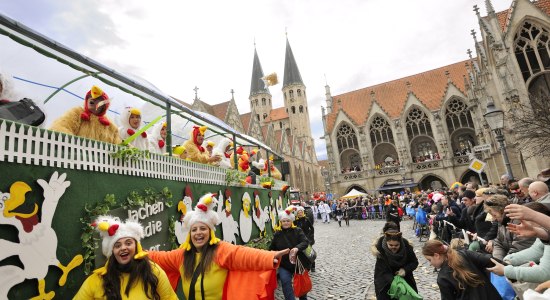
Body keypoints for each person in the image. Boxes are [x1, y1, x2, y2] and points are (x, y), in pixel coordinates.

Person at [148, 193, 289, 299]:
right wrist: (136, 251)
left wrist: (270, 256)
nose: (198, 233)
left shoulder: (220, 250)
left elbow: (243, 254)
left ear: (210, 232)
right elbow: (159, 257)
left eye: (203, 229)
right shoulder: (182, 255)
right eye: (194, 229)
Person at [74, 216, 177, 300]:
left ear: (137, 247)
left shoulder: (153, 271)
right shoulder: (97, 280)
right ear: (112, 252)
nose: (123, 248)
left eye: (128, 243)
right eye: (117, 245)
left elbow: (170, 298)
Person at [422, 239, 502, 299]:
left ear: (436, 255)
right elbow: (488, 260)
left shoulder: (443, 277)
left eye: (429, 260)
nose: (430, 263)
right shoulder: (464, 253)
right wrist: (508, 268)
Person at [50, 85, 121, 144]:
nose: (95, 106)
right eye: (92, 103)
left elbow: (117, 140)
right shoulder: (77, 113)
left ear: (104, 107)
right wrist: (72, 143)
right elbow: (61, 126)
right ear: (87, 101)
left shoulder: (109, 124)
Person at [269, 207, 311, 300]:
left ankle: (303, 298)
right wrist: (272, 257)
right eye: (284, 221)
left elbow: (305, 242)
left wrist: (297, 248)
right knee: (285, 282)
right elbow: (271, 248)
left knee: (301, 284)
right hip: (284, 264)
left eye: (288, 221)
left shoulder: (298, 231)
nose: (286, 223)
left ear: (291, 221)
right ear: (281, 222)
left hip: (299, 263)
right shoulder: (277, 234)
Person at [371, 222, 419, 300]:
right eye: (391, 245)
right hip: (385, 283)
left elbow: (414, 262)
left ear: (400, 242)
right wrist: (395, 282)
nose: (394, 247)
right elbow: (382, 270)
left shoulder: (407, 247)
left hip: (405, 280)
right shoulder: (380, 249)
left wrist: (405, 270)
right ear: (386, 242)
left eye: (396, 245)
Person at [483, 194, 536, 260]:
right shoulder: (502, 221)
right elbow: (498, 242)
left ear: (503, 211)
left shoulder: (520, 222)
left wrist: (502, 265)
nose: (493, 219)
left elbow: (519, 248)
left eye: (495, 215)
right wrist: (497, 261)